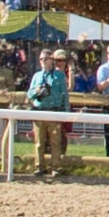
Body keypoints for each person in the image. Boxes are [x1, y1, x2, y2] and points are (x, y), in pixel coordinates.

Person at [24, 48, 71, 176]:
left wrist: (66, 113)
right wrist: (36, 91)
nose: (43, 61)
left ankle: (55, 167)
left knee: (56, 142)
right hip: (39, 111)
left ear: (51, 60)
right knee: (39, 142)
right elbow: (29, 94)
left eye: (46, 59)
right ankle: (40, 166)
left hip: (54, 112)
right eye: (41, 59)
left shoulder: (59, 75)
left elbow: (64, 95)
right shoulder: (36, 76)